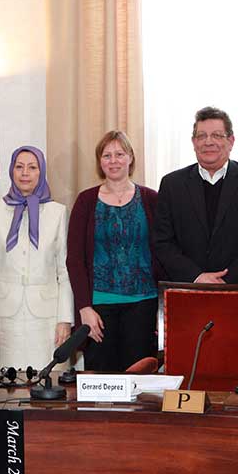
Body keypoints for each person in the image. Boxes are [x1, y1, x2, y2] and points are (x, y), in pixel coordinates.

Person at [67, 130, 162, 372]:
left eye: (120, 154)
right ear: (100, 162)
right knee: (100, 381)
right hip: (98, 308)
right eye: (107, 155)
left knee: (139, 378)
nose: (114, 160)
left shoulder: (152, 199)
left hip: (144, 305)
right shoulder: (86, 201)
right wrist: (84, 308)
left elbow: (163, 251)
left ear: (130, 158)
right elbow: (75, 260)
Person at [0, 146, 74, 371]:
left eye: (32, 167)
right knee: (2, 391)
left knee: (46, 387)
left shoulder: (58, 212)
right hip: (2, 318)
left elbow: (64, 271)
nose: (25, 173)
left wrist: (65, 319)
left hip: (47, 319)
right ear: (12, 171)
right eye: (19, 167)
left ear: (41, 172)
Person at [154, 106, 238, 284]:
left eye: (217, 135)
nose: (208, 142)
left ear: (231, 141)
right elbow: (162, 241)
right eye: (201, 136)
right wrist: (196, 277)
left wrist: (226, 280)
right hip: (188, 288)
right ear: (194, 142)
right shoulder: (172, 184)